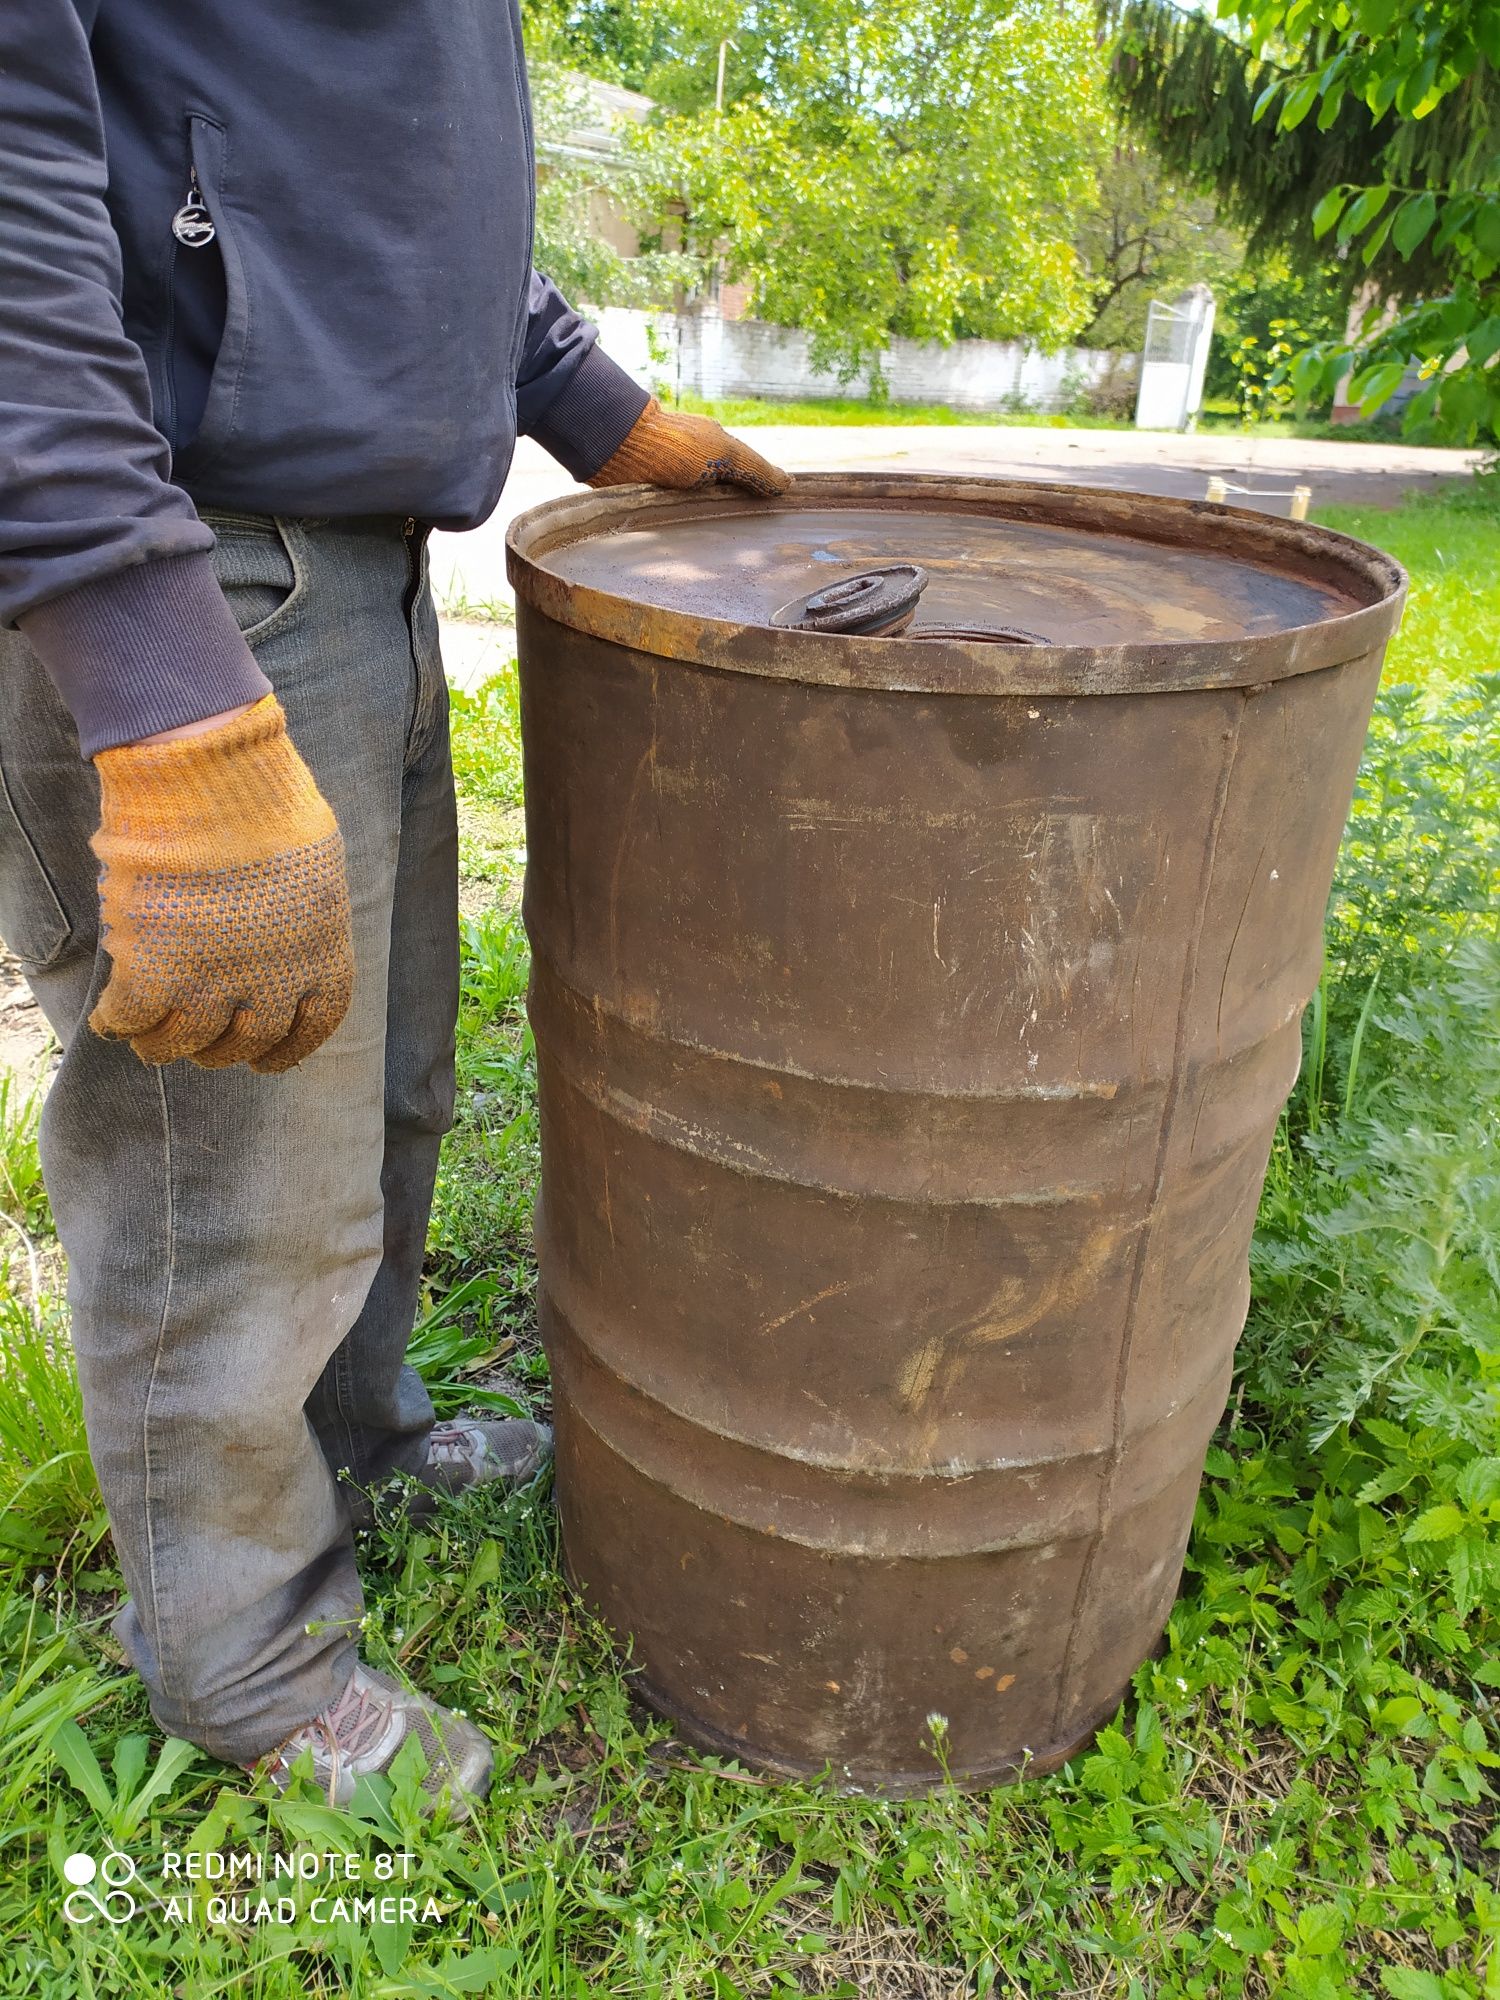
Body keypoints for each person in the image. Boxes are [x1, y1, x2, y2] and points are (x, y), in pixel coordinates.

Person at [0, 1, 789, 1819]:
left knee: (383, 1082)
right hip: (181, 546)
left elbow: (362, 166)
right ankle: (239, 1659)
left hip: (344, 545)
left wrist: (593, 408)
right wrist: (155, 675)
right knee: (233, 1151)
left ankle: (353, 1439)